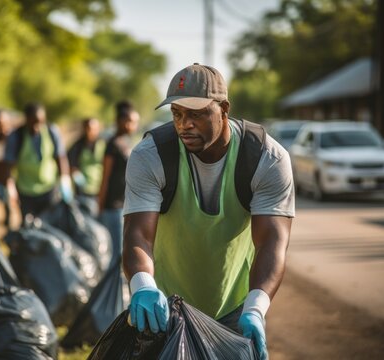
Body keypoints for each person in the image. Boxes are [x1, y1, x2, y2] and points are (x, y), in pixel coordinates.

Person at [122, 64, 294, 360]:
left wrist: (255, 309)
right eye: (177, 114)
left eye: (196, 114)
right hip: (166, 308)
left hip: (235, 309)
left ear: (224, 109)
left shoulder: (266, 158)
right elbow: (137, 233)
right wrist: (143, 286)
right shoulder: (151, 155)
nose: (183, 124)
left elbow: (271, 243)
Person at [3, 102, 72, 219]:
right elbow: (8, 165)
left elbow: (60, 157)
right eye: (33, 122)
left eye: (40, 122)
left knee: (50, 224)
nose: (36, 126)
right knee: (30, 226)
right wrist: (10, 186)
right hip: (26, 192)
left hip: (49, 189)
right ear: (26, 119)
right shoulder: (16, 136)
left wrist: (65, 180)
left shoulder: (52, 131)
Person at [97, 101, 139, 266]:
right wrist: (100, 205)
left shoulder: (126, 143)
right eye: (131, 121)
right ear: (122, 121)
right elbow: (105, 177)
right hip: (112, 206)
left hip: (125, 204)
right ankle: (112, 290)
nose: (134, 125)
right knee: (116, 253)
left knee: (123, 249)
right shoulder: (112, 145)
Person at [67, 117, 105, 215]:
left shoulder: (103, 144)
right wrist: (75, 175)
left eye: (94, 128)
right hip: (82, 191)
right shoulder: (77, 145)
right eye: (89, 128)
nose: (91, 131)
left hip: (99, 189)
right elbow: (70, 164)